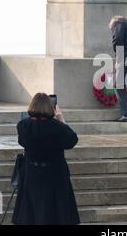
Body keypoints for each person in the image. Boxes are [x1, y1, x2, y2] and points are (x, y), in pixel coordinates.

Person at [12, 93, 80, 225]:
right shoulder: (57, 127)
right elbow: (71, 141)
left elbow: (22, 141)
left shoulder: (23, 125)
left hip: (32, 174)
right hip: (55, 176)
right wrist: (60, 118)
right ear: (51, 107)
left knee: (32, 213)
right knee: (55, 213)